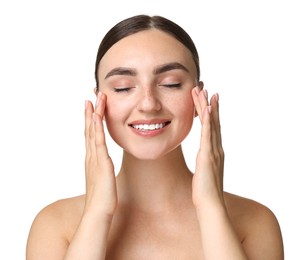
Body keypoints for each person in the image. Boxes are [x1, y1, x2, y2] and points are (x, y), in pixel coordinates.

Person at [26, 14, 284, 259]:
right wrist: (97, 213)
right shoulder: (56, 226)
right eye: (123, 88)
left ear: (198, 97)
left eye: (170, 83)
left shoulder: (255, 222)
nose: (148, 104)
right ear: (99, 101)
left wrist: (211, 209)